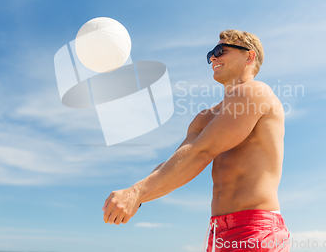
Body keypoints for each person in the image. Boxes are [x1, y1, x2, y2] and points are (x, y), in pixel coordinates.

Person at [102, 29, 290, 252]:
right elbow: (179, 160)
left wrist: (137, 192)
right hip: (216, 232)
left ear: (249, 56)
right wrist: (137, 196)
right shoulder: (205, 117)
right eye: (211, 52)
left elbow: (202, 152)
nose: (213, 57)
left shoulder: (256, 93)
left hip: (256, 227)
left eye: (221, 51)